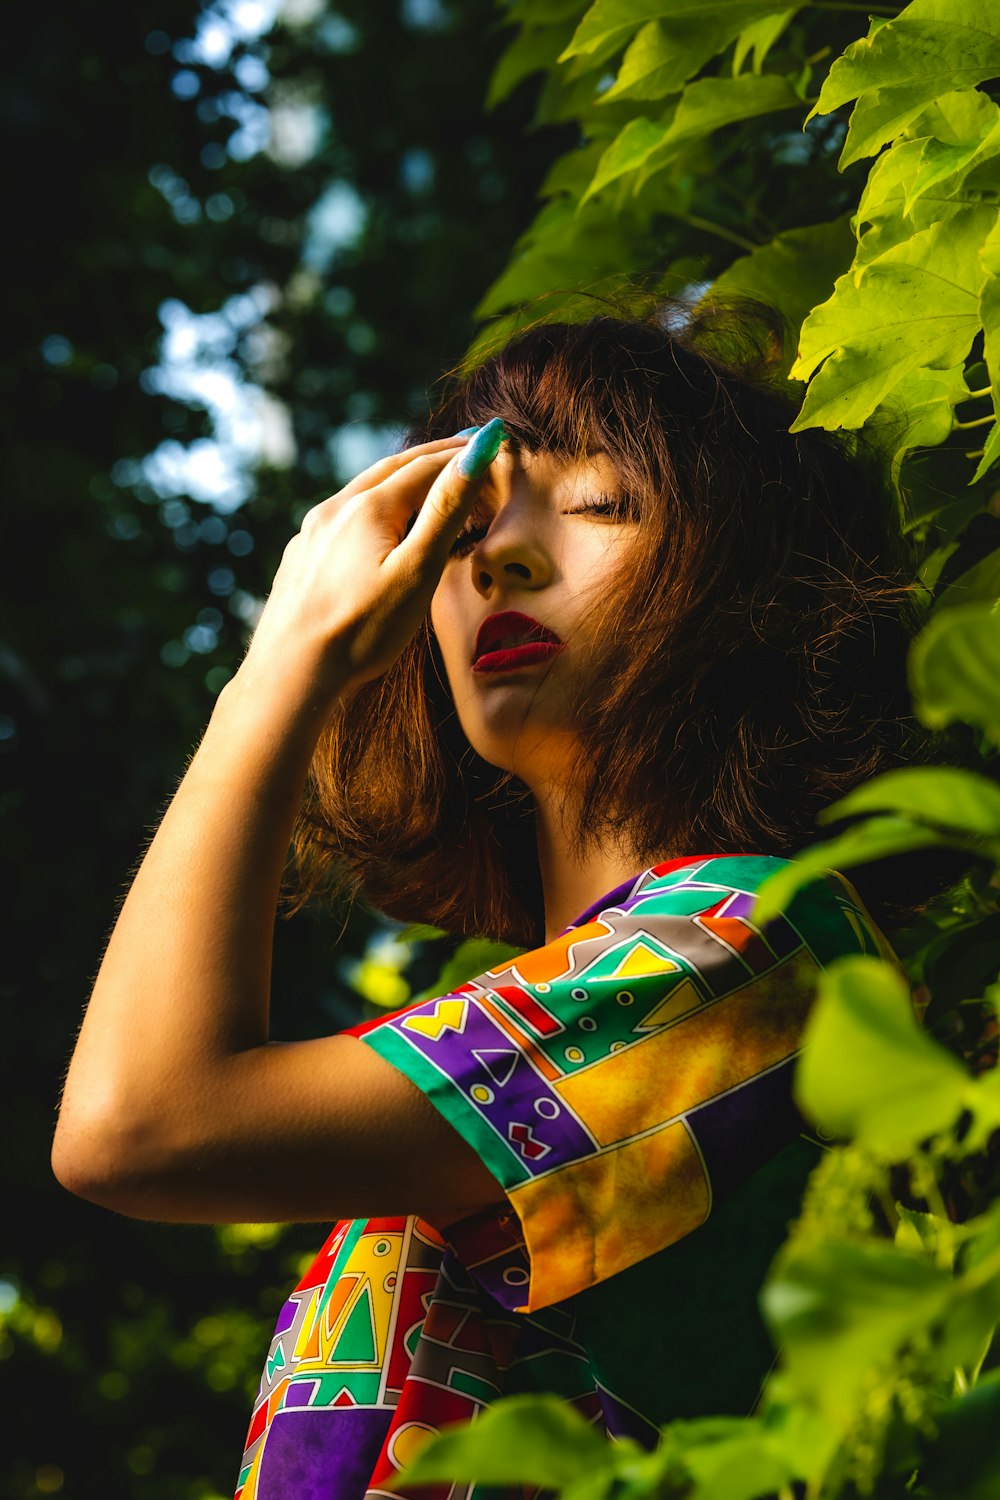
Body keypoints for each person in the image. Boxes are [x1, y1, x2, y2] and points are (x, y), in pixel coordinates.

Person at [53, 304, 952, 1500]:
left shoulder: (746, 939)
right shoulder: (521, 1036)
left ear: (749, 586)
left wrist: (280, 667)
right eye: (468, 524)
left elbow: (138, 1125)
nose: (501, 558)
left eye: (600, 505)